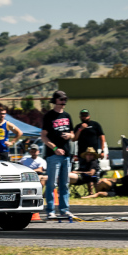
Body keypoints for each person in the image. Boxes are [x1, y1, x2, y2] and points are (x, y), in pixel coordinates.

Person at [40, 90, 75, 221]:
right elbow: (43, 136)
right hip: (53, 155)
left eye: (65, 99)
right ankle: (50, 210)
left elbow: (72, 134)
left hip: (66, 155)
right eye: (61, 99)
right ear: (55, 101)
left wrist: (70, 136)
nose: (64, 101)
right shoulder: (49, 116)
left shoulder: (67, 115)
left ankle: (64, 210)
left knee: (65, 184)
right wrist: (54, 148)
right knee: (51, 183)